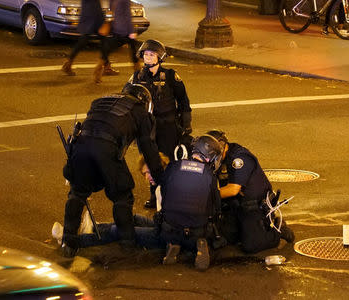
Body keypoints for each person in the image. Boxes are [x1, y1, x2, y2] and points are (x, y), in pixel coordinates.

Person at [60, 83, 163, 258]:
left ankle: (68, 242)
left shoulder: (99, 101)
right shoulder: (139, 110)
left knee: (77, 193)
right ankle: (127, 244)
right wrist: (161, 176)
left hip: (79, 146)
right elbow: (148, 147)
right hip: (107, 147)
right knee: (122, 195)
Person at [126, 39, 193, 209]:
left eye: (151, 54)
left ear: (159, 57)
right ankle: (154, 194)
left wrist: (186, 125)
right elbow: (126, 99)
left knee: (168, 160)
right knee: (150, 160)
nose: (148, 58)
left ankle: (169, 194)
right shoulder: (136, 77)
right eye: (145, 55)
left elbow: (183, 101)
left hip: (168, 125)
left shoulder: (171, 76)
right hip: (146, 126)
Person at [206, 130, 295, 254]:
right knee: (227, 238)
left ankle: (277, 230)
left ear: (223, 147)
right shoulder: (215, 158)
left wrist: (206, 196)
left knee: (251, 245)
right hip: (235, 205)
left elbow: (233, 189)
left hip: (253, 206)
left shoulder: (239, 158)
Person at [158, 135, 223, 271]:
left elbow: (163, 192)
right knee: (210, 225)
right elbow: (216, 206)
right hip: (198, 228)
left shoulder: (173, 166)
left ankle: (173, 242)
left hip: (170, 226)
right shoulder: (210, 175)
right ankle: (200, 242)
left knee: (167, 224)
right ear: (209, 155)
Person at [61, 0, 117, 83]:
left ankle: (68, 64)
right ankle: (102, 68)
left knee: (85, 39)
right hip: (94, 12)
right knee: (103, 39)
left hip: (89, 10)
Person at [95, 0, 142, 83]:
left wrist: (109, 23)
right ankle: (139, 75)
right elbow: (127, 15)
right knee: (134, 52)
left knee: (108, 48)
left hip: (116, 27)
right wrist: (131, 31)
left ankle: (98, 69)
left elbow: (110, 11)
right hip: (125, 29)